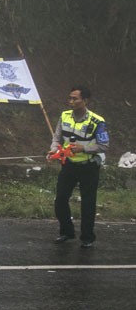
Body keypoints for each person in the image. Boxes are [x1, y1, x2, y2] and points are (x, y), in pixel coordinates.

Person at [48, 84, 109, 248]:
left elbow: (104, 146)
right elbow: (57, 137)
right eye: (70, 98)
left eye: (75, 98)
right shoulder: (65, 116)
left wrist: (84, 148)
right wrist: (53, 150)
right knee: (60, 199)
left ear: (85, 100)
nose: (71, 101)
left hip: (88, 166)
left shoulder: (97, 121)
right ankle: (67, 232)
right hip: (69, 165)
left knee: (88, 203)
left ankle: (87, 238)